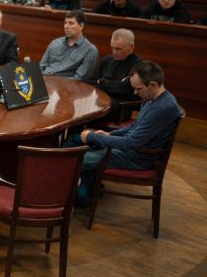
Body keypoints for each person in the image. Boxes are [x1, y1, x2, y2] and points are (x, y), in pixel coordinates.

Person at [74, 61, 183, 207]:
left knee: (75, 159)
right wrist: (109, 135)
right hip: (131, 151)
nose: (135, 93)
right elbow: (135, 126)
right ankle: (87, 191)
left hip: (136, 158)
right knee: (78, 144)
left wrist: (94, 137)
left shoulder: (162, 108)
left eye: (139, 88)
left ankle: (81, 199)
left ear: (152, 85)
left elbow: (131, 143)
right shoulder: (154, 99)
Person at [89, 28, 142, 120]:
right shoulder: (107, 60)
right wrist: (112, 84)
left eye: (118, 49)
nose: (114, 52)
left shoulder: (138, 65)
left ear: (131, 46)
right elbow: (91, 81)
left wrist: (102, 82)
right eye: (112, 48)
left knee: (90, 109)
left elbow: (123, 88)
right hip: (101, 99)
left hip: (122, 107)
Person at [39, 10, 99, 81]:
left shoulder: (90, 50)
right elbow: (41, 67)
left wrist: (53, 81)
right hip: (44, 81)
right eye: (65, 23)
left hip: (66, 85)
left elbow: (79, 79)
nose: (66, 26)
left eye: (71, 23)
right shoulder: (55, 43)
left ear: (81, 26)